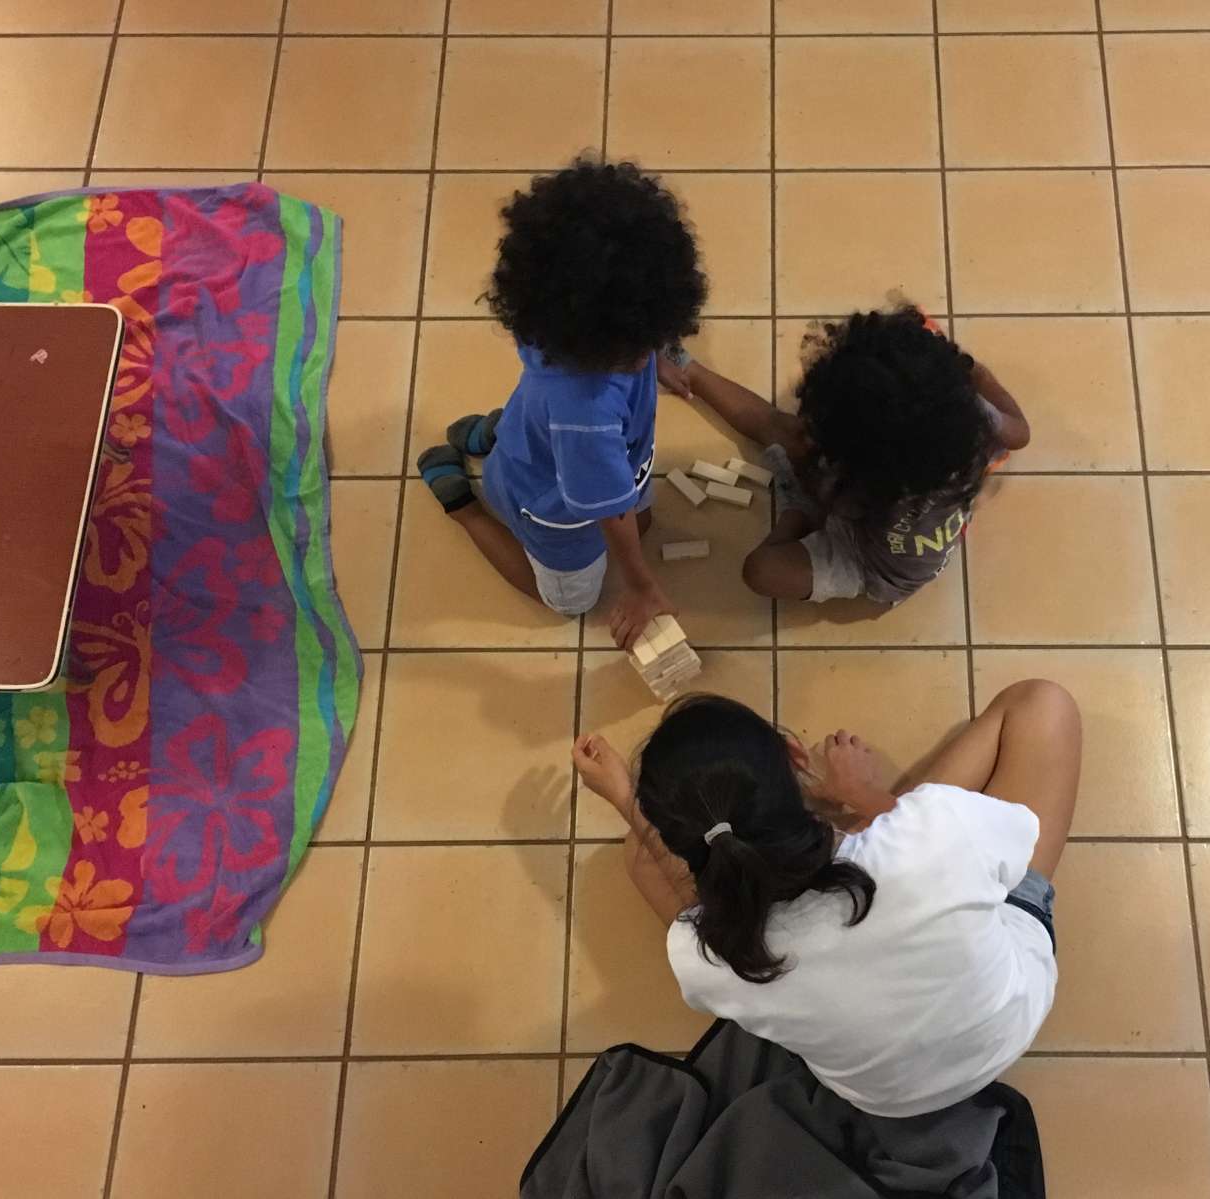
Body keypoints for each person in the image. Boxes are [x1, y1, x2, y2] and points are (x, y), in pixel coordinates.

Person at [571, 680, 1080, 1119]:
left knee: (638, 856)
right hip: (1005, 1022)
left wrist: (625, 798)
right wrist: (863, 792)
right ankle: (851, 811)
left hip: (882, 1098)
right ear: (796, 758)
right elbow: (1010, 845)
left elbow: (673, 867)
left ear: (686, 844)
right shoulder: (925, 835)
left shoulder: (702, 957)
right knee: (1040, 703)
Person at [416, 158, 706, 648]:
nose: (646, 354)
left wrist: (657, 358)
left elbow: (629, 320)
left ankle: (497, 433)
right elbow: (611, 513)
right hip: (556, 515)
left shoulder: (559, 322)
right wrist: (641, 586)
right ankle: (463, 507)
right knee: (570, 602)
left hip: (557, 439)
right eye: (638, 348)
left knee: (641, 519)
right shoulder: (587, 419)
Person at [661, 306, 1030, 605]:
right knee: (785, 433)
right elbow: (1020, 433)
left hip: (877, 568)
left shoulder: (858, 492)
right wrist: (970, 371)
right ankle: (689, 370)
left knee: (761, 569)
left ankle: (794, 511)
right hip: (902, 507)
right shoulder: (972, 424)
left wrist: (801, 497)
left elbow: (830, 499)